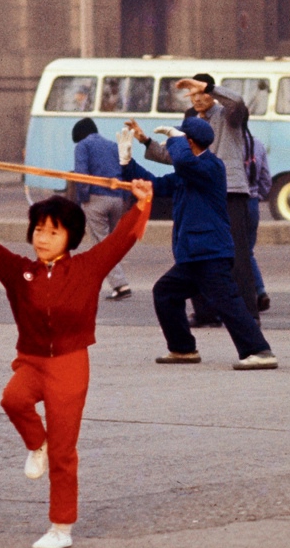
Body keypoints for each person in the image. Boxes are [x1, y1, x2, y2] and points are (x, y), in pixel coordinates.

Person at [0, 174, 154, 548]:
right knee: (12, 399)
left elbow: (121, 241)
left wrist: (142, 204)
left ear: (70, 238)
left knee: (65, 452)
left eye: (52, 232)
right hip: (32, 362)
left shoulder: (87, 267)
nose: (42, 238)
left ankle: (60, 527)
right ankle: (37, 444)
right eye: (38, 230)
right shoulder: (20, 272)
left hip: (70, 365)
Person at [119, 116, 279, 369]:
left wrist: (176, 140)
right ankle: (183, 349)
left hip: (210, 252)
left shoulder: (212, 166)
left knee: (227, 302)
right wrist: (128, 163)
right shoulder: (189, 171)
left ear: (189, 142)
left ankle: (259, 351)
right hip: (194, 254)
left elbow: (182, 161)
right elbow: (156, 185)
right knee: (165, 292)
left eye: (182, 139)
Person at [127, 75, 258, 324]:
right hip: (199, 191)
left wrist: (210, 87)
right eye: (193, 94)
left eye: (202, 93)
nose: (197, 98)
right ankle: (205, 312)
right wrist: (145, 140)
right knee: (197, 253)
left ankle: (250, 315)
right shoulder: (190, 121)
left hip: (229, 190)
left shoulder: (228, 116)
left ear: (212, 93)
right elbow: (175, 154)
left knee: (237, 256)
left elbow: (238, 102)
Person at [70, 117, 134, 301]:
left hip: (96, 199)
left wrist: (83, 200)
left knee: (102, 245)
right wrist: (124, 201)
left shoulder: (82, 146)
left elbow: (82, 175)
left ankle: (121, 285)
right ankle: (96, 279)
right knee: (109, 244)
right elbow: (124, 172)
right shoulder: (113, 145)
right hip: (117, 200)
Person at [247, 135, 271, 312]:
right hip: (252, 202)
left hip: (233, 201)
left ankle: (249, 294)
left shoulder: (226, 144)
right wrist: (257, 196)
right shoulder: (258, 144)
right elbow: (265, 179)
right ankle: (260, 290)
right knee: (247, 251)